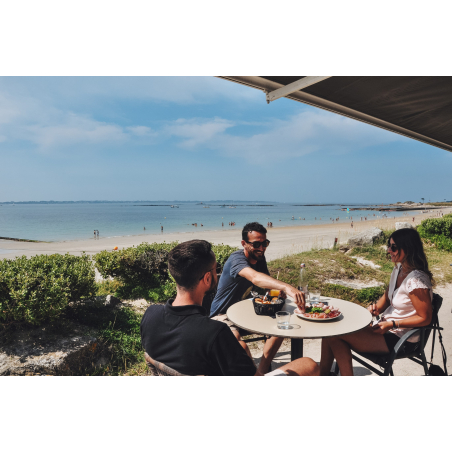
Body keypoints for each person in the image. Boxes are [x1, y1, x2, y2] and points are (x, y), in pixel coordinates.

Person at [140, 240, 318, 376]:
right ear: (207, 278)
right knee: (309, 365)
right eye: (215, 269)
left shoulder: (150, 315)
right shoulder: (215, 333)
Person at [319, 228, 434, 376]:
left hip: (401, 338)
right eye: (389, 246)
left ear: (408, 248)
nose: (389, 250)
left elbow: (425, 318)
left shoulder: (416, 280)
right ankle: (323, 376)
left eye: (394, 247)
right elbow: (387, 298)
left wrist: (392, 324)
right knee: (333, 331)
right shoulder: (399, 270)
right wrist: (375, 309)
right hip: (386, 328)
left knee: (334, 334)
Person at [209, 222, 306, 374]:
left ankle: (260, 372)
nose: (261, 248)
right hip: (222, 315)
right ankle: (253, 373)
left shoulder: (260, 258)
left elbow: (266, 282)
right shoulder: (237, 259)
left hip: (246, 312)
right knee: (241, 346)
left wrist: (276, 290)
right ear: (244, 244)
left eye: (265, 243)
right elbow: (254, 277)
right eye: (256, 244)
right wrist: (286, 287)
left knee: (282, 324)